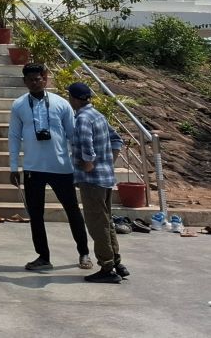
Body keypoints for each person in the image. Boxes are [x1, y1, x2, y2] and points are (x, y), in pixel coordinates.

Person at [8, 64, 92, 272]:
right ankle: (43, 256)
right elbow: (14, 137)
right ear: (24, 81)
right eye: (31, 79)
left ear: (45, 79)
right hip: (32, 168)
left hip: (61, 167)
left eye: (39, 78)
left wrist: (80, 161)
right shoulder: (18, 105)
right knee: (36, 215)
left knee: (72, 211)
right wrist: (13, 166)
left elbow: (73, 135)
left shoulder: (61, 104)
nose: (35, 82)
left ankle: (84, 252)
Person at [67, 82, 128, 283]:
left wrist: (89, 164)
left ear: (74, 99)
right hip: (106, 178)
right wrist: (108, 161)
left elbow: (86, 145)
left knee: (96, 224)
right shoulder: (98, 115)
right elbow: (117, 139)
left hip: (92, 181)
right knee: (106, 221)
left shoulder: (83, 119)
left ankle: (107, 267)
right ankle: (116, 262)